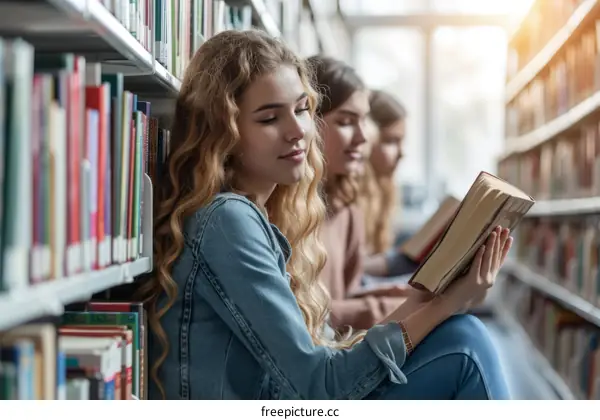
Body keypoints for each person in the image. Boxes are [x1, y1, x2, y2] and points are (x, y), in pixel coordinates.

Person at [140, 29, 513, 400]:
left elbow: (328, 354)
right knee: (465, 343)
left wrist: (436, 299)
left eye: (302, 109)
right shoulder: (227, 221)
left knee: (461, 335)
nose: (297, 132)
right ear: (226, 132)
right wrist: (446, 305)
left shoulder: (260, 215)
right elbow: (321, 389)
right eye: (270, 119)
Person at [308, 56, 417, 330]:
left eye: (364, 123)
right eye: (345, 121)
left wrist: (412, 298)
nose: (364, 138)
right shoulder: (288, 207)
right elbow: (312, 317)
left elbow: (350, 291)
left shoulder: (346, 206)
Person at [359, 90, 419, 280]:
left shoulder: (384, 189)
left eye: (402, 142)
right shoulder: (346, 195)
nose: (401, 153)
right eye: (391, 141)